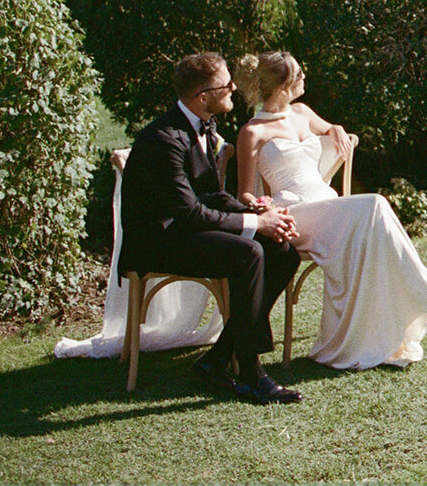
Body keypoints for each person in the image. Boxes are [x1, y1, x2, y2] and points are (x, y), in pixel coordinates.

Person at [232, 51, 427, 370]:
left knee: (373, 215)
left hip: (328, 205)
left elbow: (331, 127)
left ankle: (417, 308)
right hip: (293, 213)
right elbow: (244, 193)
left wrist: (337, 129)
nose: (305, 77)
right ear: (282, 84)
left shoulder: (302, 112)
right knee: (374, 204)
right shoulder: (252, 132)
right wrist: (262, 207)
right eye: (299, 73)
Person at [118, 52, 304, 405]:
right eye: (226, 85)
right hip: (157, 241)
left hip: (185, 231)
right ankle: (249, 374)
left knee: (282, 250)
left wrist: (256, 211)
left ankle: (218, 359)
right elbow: (189, 213)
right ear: (203, 97)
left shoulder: (204, 125)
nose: (235, 86)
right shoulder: (164, 138)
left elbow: (212, 195)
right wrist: (255, 224)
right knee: (248, 252)